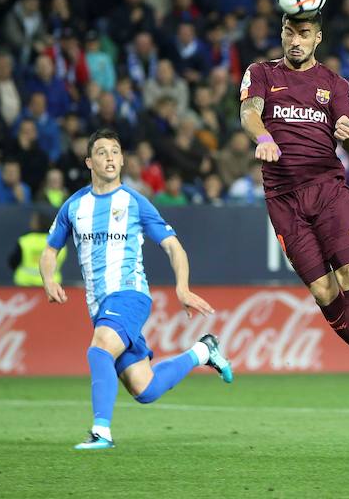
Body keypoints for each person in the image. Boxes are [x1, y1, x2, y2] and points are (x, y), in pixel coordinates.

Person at [239, 11, 349, 401]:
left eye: (304, 33)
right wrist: (264, 136)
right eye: (289, 32)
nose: (295, 40)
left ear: (318, 38)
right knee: (323, 291)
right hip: (283, 200)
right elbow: (248, 113)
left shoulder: (334, 85)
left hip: (328, 191)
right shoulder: (261, 73)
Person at [40, 129, 233, 450]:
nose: (110, 157)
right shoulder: (74, 206)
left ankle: (101, 431)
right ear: (89, 161)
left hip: (130, 295)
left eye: (115, 151)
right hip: (99, 305)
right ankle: (204, 350)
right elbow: (49, 251)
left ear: (123, 159)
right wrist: (48, 279)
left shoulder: (134, 202)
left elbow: (173, 247)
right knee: (145, 389)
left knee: (99, 349)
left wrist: (182, 288)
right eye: (101, 152)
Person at [9, 211, 67, 287]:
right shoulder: (59, 242)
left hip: (25, 284)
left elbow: (13, 262)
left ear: (36, 224)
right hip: (51, 285)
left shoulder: (25, 241)